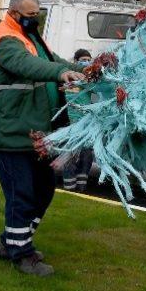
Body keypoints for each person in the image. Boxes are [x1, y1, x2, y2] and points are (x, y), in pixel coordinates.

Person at [0, 0, 84, 276]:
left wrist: (84, 69)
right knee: (21, 194)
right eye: (29, 15)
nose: (35, 20)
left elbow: (53, 60)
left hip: (33, 134)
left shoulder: (29, 38)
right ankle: (21, 255)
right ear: (14, 14)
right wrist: (58, 74)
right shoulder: (5, 40)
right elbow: (30, 66)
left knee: (44, 189)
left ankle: (11, 241)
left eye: (37, 15)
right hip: (10, 133)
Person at [62, 48, 94, 193]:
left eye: (88, 59)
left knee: (86, 155)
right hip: (71, 124)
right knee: (70, 155)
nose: (86, 62)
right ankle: (69, 187)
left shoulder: (88, 79)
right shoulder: (69, 78)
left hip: (86, 124)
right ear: (76, 61)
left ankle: (81, 187)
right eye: (83, 59)